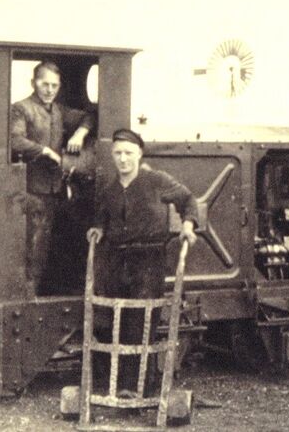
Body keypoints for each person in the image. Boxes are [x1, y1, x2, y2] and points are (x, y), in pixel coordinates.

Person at [86, 128, 198, 397]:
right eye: (118, 153)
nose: (123, 159)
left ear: (139, 154)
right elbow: (102, 216)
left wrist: (188, 225)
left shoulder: (156, 181)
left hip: (148, 260)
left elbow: (188, 200)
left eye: (128, 153)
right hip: (116, 260)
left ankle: (136, 388)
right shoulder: (110, 190)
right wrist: (98, 229)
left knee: (141, 322)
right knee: (114, 320)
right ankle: (115, 385)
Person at [10, 61, 95, 295]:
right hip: (31, 190)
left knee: (51, 248)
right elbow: (15, 140)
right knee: (33, 250)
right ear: (33, 83)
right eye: (44, 84)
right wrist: (45, 151)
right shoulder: (21, 109)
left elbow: (89, 116)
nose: (49, 90)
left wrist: (80, 133)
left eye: (54, 86)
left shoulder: (59, 111)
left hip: (55, 191)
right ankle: (28, 296)